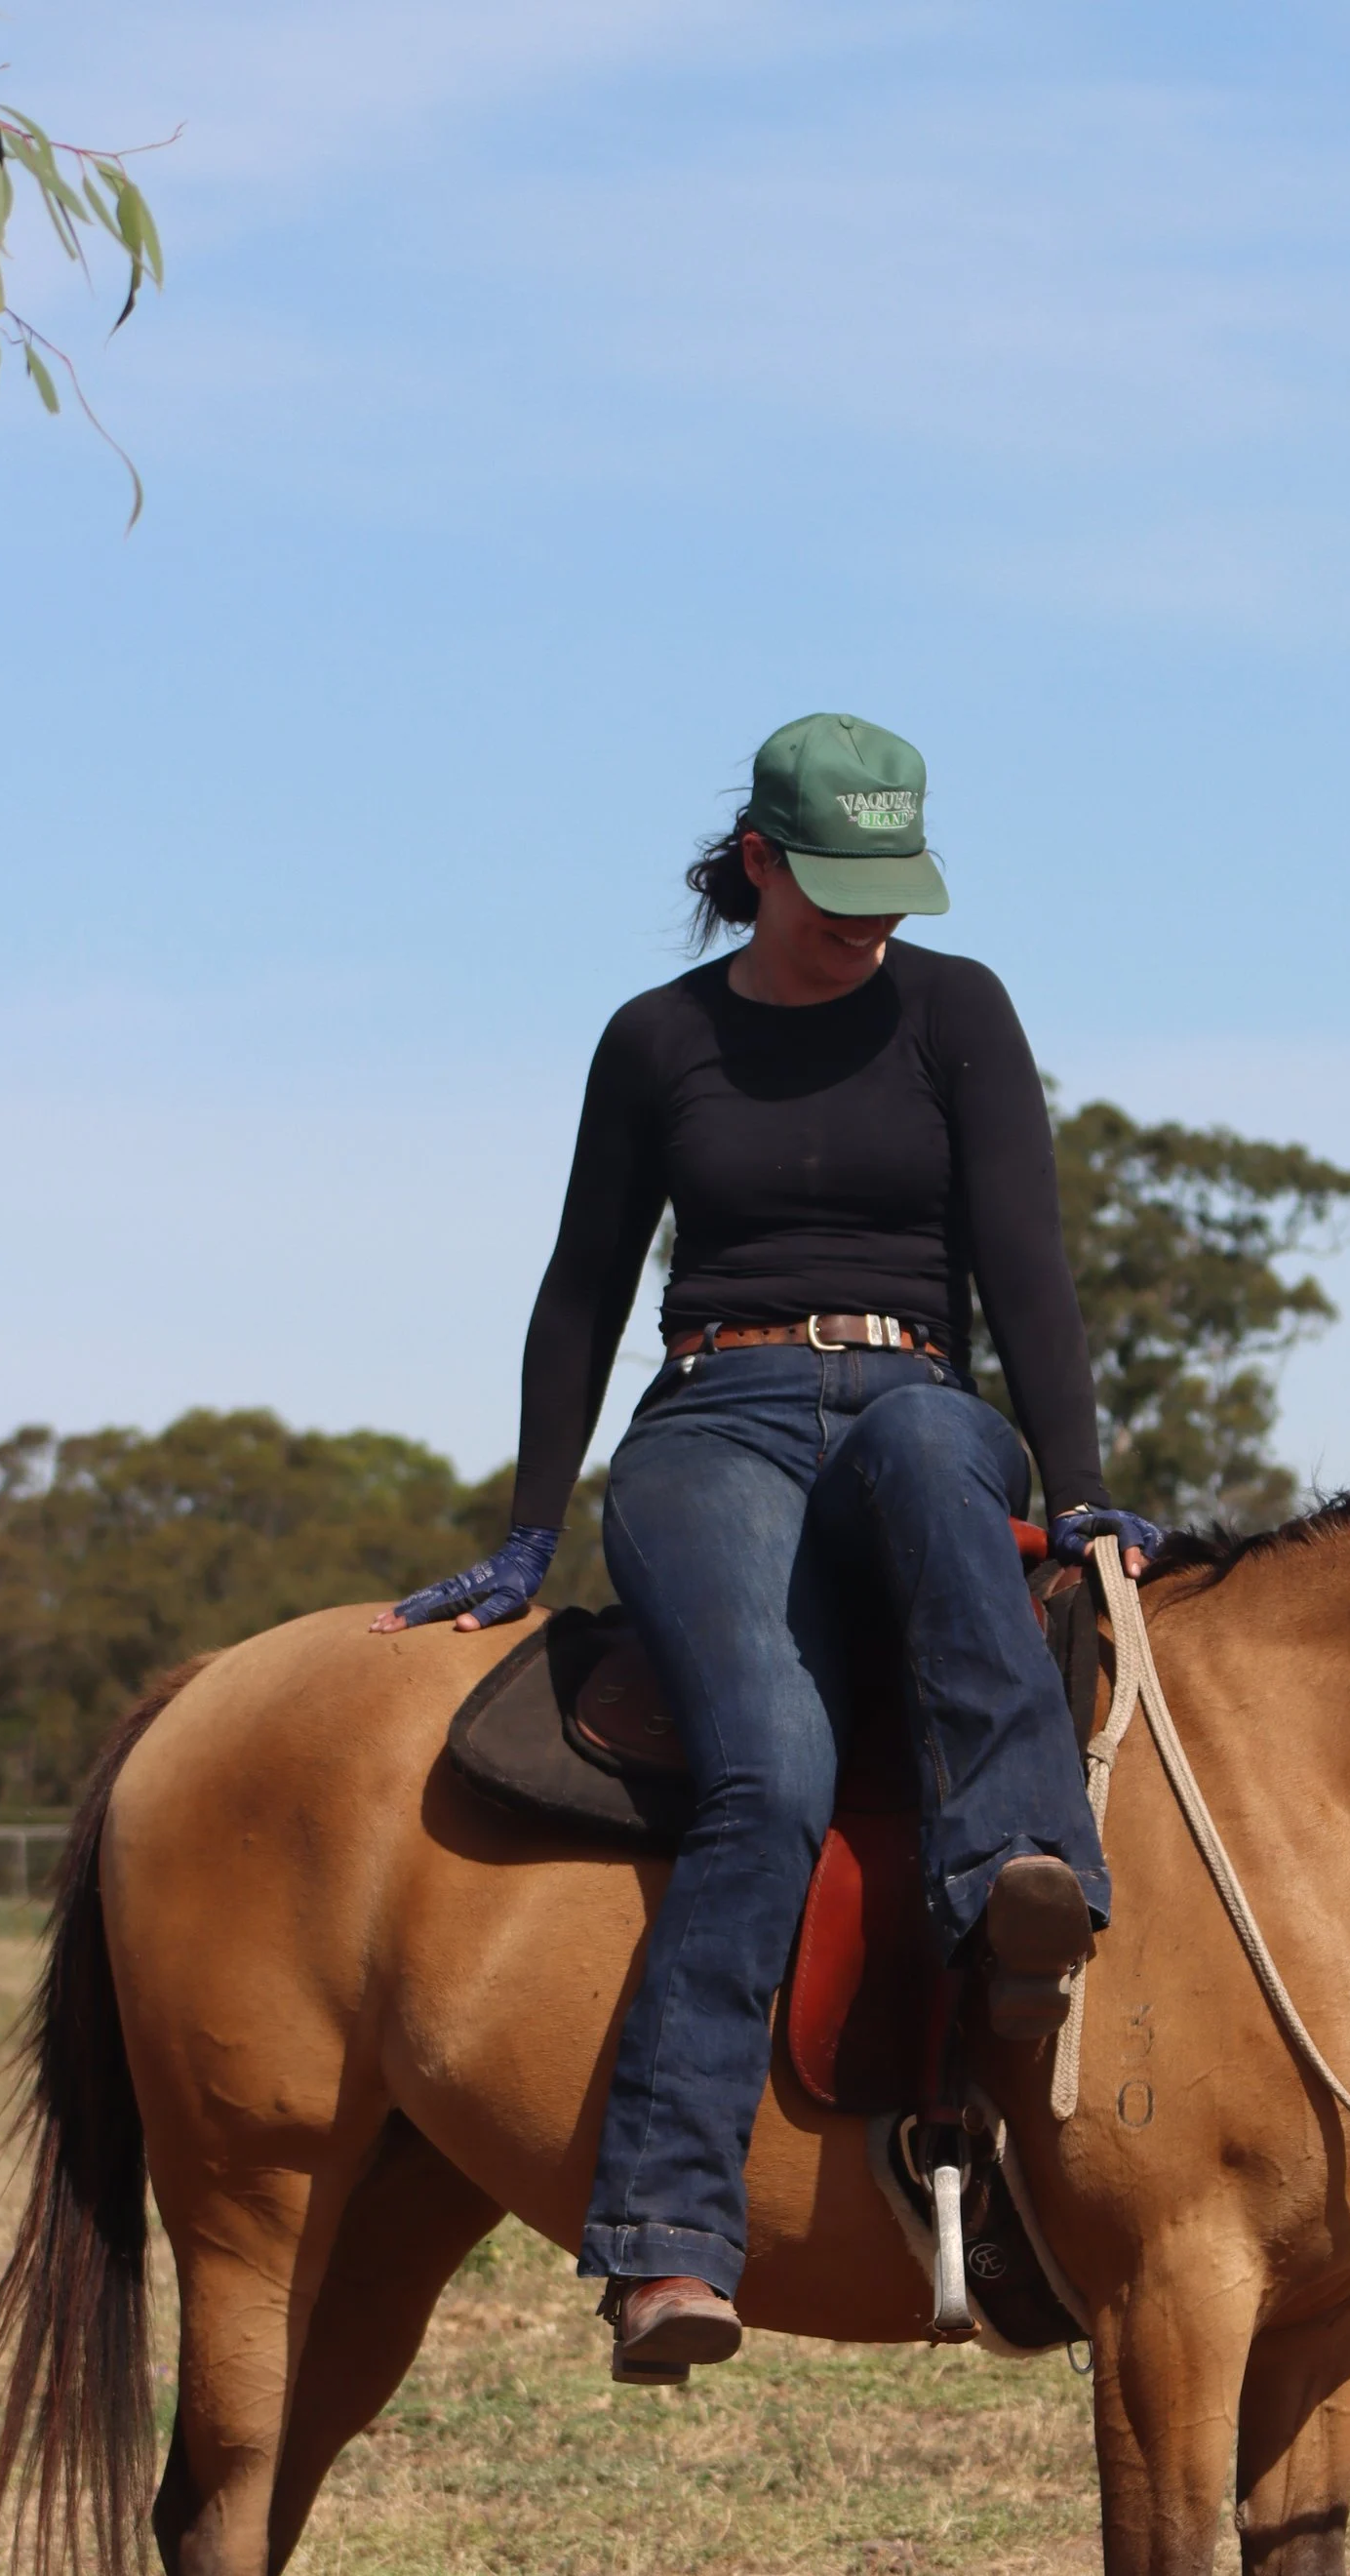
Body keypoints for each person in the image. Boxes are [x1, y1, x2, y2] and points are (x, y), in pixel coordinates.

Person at [374, 714, 1159, 2383]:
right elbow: (584, 1284)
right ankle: (668, 2235)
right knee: (769, 1773)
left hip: (916, 1397)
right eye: (836, 894)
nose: (870, 927)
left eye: (893, 893)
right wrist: (526, 1532)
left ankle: (1023, 1879)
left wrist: (1082, 1490)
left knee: (952, 1475)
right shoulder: (657, 1041)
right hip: (713, 1420)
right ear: (756, 864)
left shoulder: (960, 1013)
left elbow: (1029, 1266)